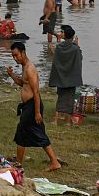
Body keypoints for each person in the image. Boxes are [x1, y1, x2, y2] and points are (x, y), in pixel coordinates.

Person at [7, 42, 60, 171]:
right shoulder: (24, 67)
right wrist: (12, 75)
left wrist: (37, 112)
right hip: (27, 106)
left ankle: (18, 164)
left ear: (23, 53)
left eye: (16, 55)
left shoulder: (30, 68)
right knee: (37, 132)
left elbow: (36, 92)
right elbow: (23, 84)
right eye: (13, 56)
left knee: (21, 131)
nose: (15, 58)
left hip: (32, 105)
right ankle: (54, 162)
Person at [48, 25, 83, 126]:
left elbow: (57, 60)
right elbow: (79, 58)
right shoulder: (75, 48)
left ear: (65, 35)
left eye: (62, 32)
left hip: (60, 76)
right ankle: (68, 121)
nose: (61, 33)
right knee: (70, 99)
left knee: (60, 98)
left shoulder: (59, 47)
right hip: (71, 77)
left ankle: (56, 120)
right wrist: (77, 45)